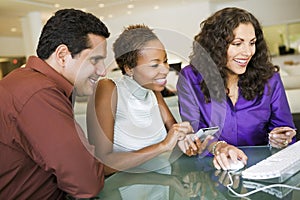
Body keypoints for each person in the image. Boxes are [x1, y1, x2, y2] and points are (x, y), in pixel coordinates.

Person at [0, 9, 110, 199]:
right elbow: (87, 182)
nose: (102, 71)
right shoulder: (38, 94)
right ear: (62, 55)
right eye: (95, 60)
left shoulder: (29, 83)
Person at [176, 7, 297, 170]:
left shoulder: (270, 78)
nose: (248, 52)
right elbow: (195, 132)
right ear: (215, 46)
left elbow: (284, 128)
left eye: (252, 43)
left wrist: (279, 139)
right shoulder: (190, 77)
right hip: (211, 172)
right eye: (237, 43)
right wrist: (218, 147)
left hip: (264, 169)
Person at [86, 24, 214, 176]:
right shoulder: (108, 88)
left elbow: (174, 135)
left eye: (165, 61)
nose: (165, 70)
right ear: (129, 68)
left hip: (162, 183)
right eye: (154, 65)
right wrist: (163, 145)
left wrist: (185, 140)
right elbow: (102, 164)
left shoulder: (153, 91)